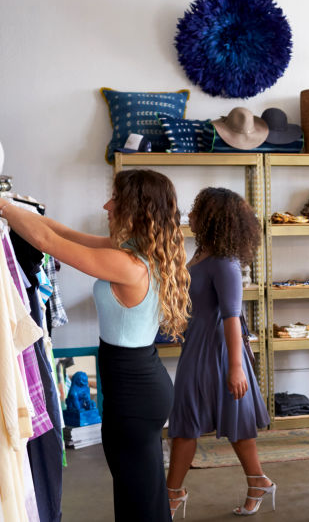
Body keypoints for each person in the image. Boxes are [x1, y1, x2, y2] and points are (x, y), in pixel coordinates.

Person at [0, 169, 191, 521]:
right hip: (138, 388)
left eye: (115, 199)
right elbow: (62, 233)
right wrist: (18, 208)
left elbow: (46, 242)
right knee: (142, 494)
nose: (107, 206)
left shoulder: (128, 264)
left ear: (136, 207)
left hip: (134, 395)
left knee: (138, 499)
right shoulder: (136, 252)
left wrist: (3, 207)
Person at [166, 188, 272, 517]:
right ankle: (256, 481)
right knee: (189, 418)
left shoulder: (225, 263)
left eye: (197, 210)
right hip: (197, 346)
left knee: (220, 420)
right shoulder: (202, 254)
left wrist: (236, 368)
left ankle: (172, 494)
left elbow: (231, 317)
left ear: (213, 218)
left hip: (220, 352)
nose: (190, 215)